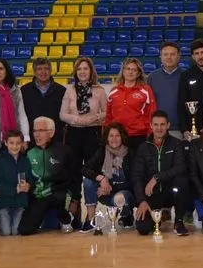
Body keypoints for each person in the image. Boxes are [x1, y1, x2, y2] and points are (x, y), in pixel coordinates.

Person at [60, 57, 107, 227]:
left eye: (85, 69)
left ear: (91, 71)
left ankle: (91, 214)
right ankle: (74, 211)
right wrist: (77, 120)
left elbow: (107, 113)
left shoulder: (100, 90)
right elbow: (62, 114)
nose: (82, 72)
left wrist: (92, 118)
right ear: (75, 72)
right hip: (74, 133)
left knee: (90, 173)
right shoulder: (70, 90)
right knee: (73, 173)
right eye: (79, 69)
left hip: (92, 134)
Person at [131, 111, 191, 236]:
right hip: (152, 195)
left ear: (168, 125)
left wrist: (157, 177)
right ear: (151, 126)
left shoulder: (176, 144)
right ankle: (158, 216)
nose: (159, 128)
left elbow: (180, 167)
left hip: (170, 192)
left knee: (182, 180)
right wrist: (142, 200)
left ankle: (178, 221)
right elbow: (136, 176)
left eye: (162, 124)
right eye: (156, 124)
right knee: (143, 228)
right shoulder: (143, 147)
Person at [18, 117, 76, 235]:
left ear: (52, 132)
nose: (37, 135)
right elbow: (26, 177)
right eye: (35, 131)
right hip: (38, 195)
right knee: (25, 230)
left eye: (41, 131)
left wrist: (75, 198)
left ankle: (66, 219)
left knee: (62, 197)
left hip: (58, 193)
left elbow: (74, 176)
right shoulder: (29, 153)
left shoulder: (64, 151)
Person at [81, 122, 135, 231]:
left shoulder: (130, 154)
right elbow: (84, 169)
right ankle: (91, 220)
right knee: (88, 181)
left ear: (122, 137)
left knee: (120, 198)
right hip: (104, 192)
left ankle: (127, 213)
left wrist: (110, 188)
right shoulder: (102, 151)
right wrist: (101, 178)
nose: (114, 139)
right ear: (107, 138)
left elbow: (134, 181)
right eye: (111, 136)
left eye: (117, 135)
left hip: (123, 192)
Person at [104, 58, 156, 152]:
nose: (130, 72)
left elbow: (151, 113)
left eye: (134, 70)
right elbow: (108, 116)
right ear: (123, 71)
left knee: (138, 166)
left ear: (138, 73)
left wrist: (150, 135)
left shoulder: (145, 90)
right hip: (118, 138)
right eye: (128, 69)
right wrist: (107, 135)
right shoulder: (114, 91)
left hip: (139, 137)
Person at [0, 130, 33, 236]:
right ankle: (1, 220)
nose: (15, 146)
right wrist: (14, 190)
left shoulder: (25, 161)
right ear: (5, 143)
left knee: (15, 231)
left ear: (22, 143)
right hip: (4, 202)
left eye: (18, 143)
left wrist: (29, 185)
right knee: (6, 232)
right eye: (11, 143)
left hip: (20, 203)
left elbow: (31, 178)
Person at [21, 57, 67, 145]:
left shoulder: (61, 90)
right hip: (32, 139)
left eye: (46, 68)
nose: (43, 72)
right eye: (39, 69)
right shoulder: (24, 91)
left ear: (51, 71)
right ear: (34, 72)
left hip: (55, 138)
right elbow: (22, 115)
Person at [147, 42, 184, 140]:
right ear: (161, 57)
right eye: (165, 54)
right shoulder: (152, 77)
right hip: (158, 130)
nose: (169, 57)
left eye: (172, 54)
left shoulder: (186, 76)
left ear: (178, 56)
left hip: (181, 130)